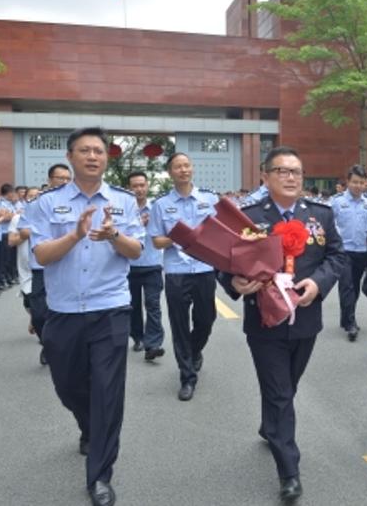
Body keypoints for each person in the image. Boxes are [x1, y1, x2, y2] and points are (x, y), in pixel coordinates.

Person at [218, 146, 345, 501]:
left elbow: (337, 256)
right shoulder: (248, 217)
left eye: (297, 172)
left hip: (306, 317)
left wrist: (318, 284)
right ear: (265, 176)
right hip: (264, 320)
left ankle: (269, 424)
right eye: (282, 171)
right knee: (280, 393)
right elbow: (225, 262)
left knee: (287, 385)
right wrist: (235, 284)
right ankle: (289, 470)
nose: (291, 178)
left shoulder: (321, 214)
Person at [28, 127, 143, 506]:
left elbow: (136, 251)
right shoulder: (47, 203)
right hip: (63, 312)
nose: (93, 156)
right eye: (85, 150)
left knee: (108, 393)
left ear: (107, 158)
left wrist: (112, 236)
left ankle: (100, 477)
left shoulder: (124, 202)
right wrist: (75, 235)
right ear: (71, 156)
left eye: (99, 150)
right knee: (68, 385)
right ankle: (88, 425)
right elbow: (41, 257)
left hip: (110, 309)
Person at [148, 153, 219, 401]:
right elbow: (157, 241)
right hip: (177, 271)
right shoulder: (160, 205)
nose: (183, 170)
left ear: (192, 169)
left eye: (186, 165)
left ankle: (194, 350)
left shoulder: (210, 199)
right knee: (179, 326)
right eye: (177, 167)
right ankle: (187, 377)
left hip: (204, 269)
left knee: (207, 319)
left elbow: (222, 232)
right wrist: (180, 237)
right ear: (170, 172)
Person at [19, 163, 72, 365]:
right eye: (60, 178)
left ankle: (61, 347)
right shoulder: (37, 203)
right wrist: (41, 232)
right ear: (50, 180)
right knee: (40, 312)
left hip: (65, 264)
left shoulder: (75, 202)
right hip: (41, 265)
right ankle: (47, 343)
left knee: (65, 311)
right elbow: (23, 230)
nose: (65, 182)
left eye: (68, 179)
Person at [331, 164, 367, 341]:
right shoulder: (337, 202)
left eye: (361, 183)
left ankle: (346, 316)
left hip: (361, 251)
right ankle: (350, 323)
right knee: (346, 284)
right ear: (348, 182)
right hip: (343, 251)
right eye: (354, 182)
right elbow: (329, 225)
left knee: (355, 286)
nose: (358, 186)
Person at [126, 171, 165, 360]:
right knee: (132, 305)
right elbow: (118, 233)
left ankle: (153, 344)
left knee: (153, 304)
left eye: (142, 185)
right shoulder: (125, 209)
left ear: (147, 186)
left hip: (153, 264)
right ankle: (138, 338)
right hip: (130, 266)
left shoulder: (157, 208)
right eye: (135, 186)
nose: (139, 189)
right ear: (129, 188)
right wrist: (138, 223)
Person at [8, 186, 40, 331]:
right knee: (28, 300)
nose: (34, 198)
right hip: (25, 264)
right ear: (25, 199)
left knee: (42, 300)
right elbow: (11, 241)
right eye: (31, 196)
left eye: (37, 196)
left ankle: (40, 323)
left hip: (44, 263)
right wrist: (24, 235)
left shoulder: (48, 216)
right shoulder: (17, 218)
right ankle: (34, 317)